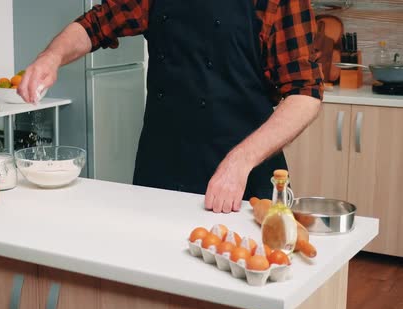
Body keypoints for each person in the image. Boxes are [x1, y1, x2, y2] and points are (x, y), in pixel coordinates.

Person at [18, 0, 323, 214]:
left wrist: (240, 162)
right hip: (160, 172)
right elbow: (97, 23)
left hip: (240, 182)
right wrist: (52, 55)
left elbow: (305, 94)